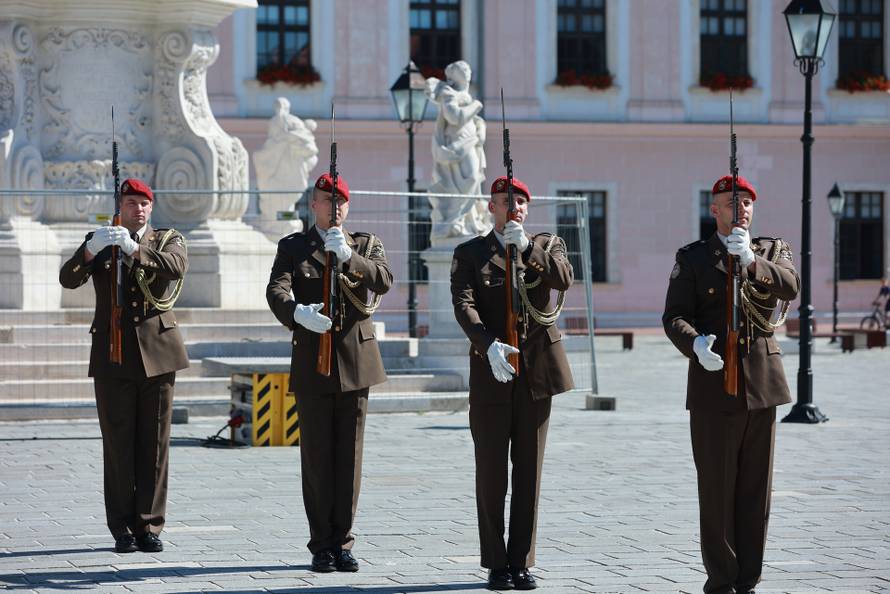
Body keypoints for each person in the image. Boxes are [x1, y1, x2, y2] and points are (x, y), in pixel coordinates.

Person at [663, 175, 800, 594]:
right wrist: (695, 344)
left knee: (756, 490)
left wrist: (755, 264)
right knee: (717, 487)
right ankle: (721, 579)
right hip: (713, 384)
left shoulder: (771, 251)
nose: (740, 209)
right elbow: (673, 317)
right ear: (714, 209)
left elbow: (792, 287)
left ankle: (749, 580)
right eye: (731, 202)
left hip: (762, 384)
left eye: (746, 203)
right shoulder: (694, 258)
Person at [450, 176, 574, 590]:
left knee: (529, 472)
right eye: (507, 201)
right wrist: (487, 346)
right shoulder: (469, 253)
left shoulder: (546, 245)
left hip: (536, 373)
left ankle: (521, 560)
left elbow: (563, 279)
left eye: (521, 201)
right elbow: (463, 304)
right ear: (491, 207)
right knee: (491, 472)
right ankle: (495, 562)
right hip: (493, 373)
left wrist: (527, 249)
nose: (515, 208)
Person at [266, 173, 392, 573]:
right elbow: (276, 289)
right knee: (318, 457)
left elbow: (385, 281)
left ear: (348, 207)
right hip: (312, 361)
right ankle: (321, 543)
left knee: (349, 458)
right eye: (326, 200)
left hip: (356, 361)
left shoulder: (365, 245)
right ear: (313, 205)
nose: (334, 207)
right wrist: (297, 314)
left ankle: (344, 541)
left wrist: (349, 258)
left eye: (340, 201)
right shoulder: (294, 246)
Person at [59, 178, 189, 554]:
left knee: (155, 446)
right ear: (120, 205)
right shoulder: (99, 240)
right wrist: (89, 250)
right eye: (132, 203)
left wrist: (133, 249)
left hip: (157, 355)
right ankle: (122, 528)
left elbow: (175, 267)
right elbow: (69, 279)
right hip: (112, 355)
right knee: (118, 446)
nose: (140, 210)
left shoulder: (167, 239)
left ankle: (149, 526)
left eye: (145, 204)